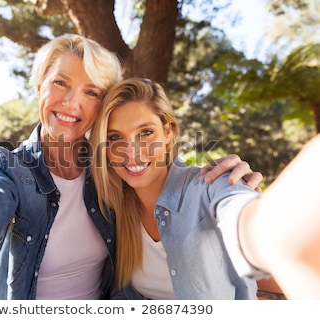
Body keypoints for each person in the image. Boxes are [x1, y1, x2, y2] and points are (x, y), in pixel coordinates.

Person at [0, 35, 262, 300]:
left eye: (91, 91)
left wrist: (232, 183)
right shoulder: (9, 167)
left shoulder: (111, 171)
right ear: (39, 85)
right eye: (60, 83)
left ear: (101, 107)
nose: (72, 102)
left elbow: (171, 175)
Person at [89, 78, 320, 300]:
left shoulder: (212, 183)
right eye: (115, 138)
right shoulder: (112, 209)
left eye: (146, 132)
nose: (132, 152)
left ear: (168, 132)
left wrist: (266, 230)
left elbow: (242, 217)